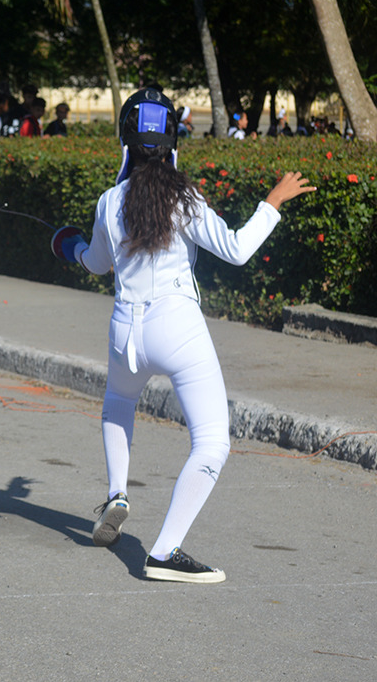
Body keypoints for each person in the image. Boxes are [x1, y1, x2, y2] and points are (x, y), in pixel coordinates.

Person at [57, 89, 315, 583]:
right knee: (212, 442)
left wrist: (65, 245)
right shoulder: (186, 198)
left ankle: (117, 494)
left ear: (124, 142)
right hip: (177, 326)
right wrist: (272, 202)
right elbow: (237, 250)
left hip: (124, 331)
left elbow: (93, 263)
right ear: (173, 142)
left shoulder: (109, 201)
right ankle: (165, 552)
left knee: (117, 402)